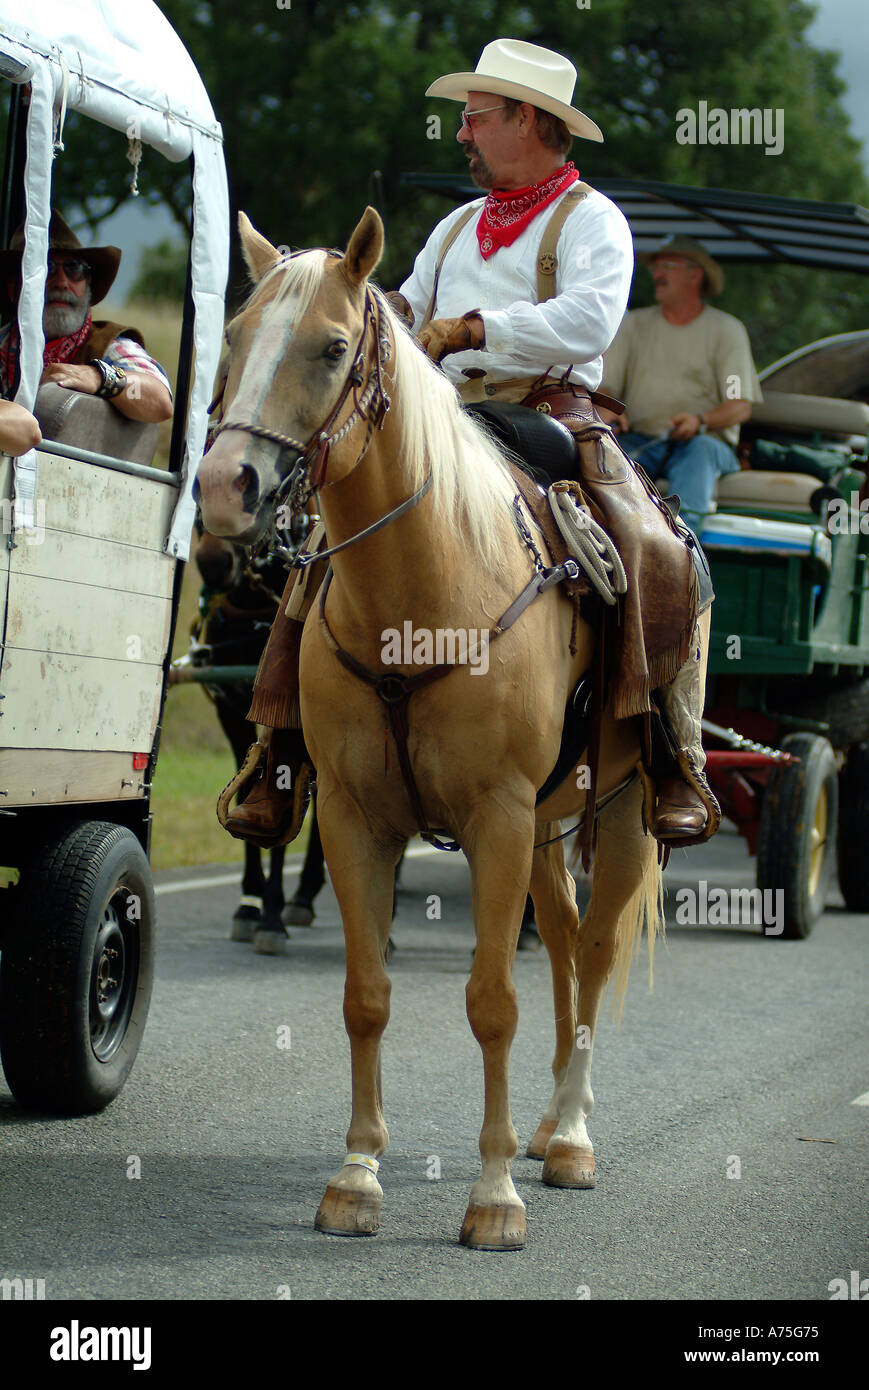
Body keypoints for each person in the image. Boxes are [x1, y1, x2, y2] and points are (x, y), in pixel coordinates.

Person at [228, 39, 718, 847]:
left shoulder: (591, 217)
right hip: (443, 422)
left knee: (652, 544)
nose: (461, 133)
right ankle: (278, 755)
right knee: (325, 540)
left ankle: (672, 755)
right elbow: (401, 307)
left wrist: (475, 328)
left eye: (475, 117)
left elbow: (591, 321)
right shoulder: (458, 226)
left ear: (526, 120)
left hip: (551, 416)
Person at [602, 235, 763, 535]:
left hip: (703, 444)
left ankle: (684, 559)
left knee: (700, 451)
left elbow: (738, 404)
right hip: (642, 439)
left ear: (695, 275)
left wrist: (700, 421)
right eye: (655, 268)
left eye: (667, 266)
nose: (657, 275)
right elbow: (606, 388)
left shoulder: (726, 331)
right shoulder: (633, 325)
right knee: (604, 456)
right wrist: (611, 409)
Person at [0, 209, 173, 423]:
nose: (62, 282)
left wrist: (99, 377)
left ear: (88, 284)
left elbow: (159, 400)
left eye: (75, 269)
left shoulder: (110, 347)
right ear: (13, 288)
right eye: (46, 268)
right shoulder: (2, 345)